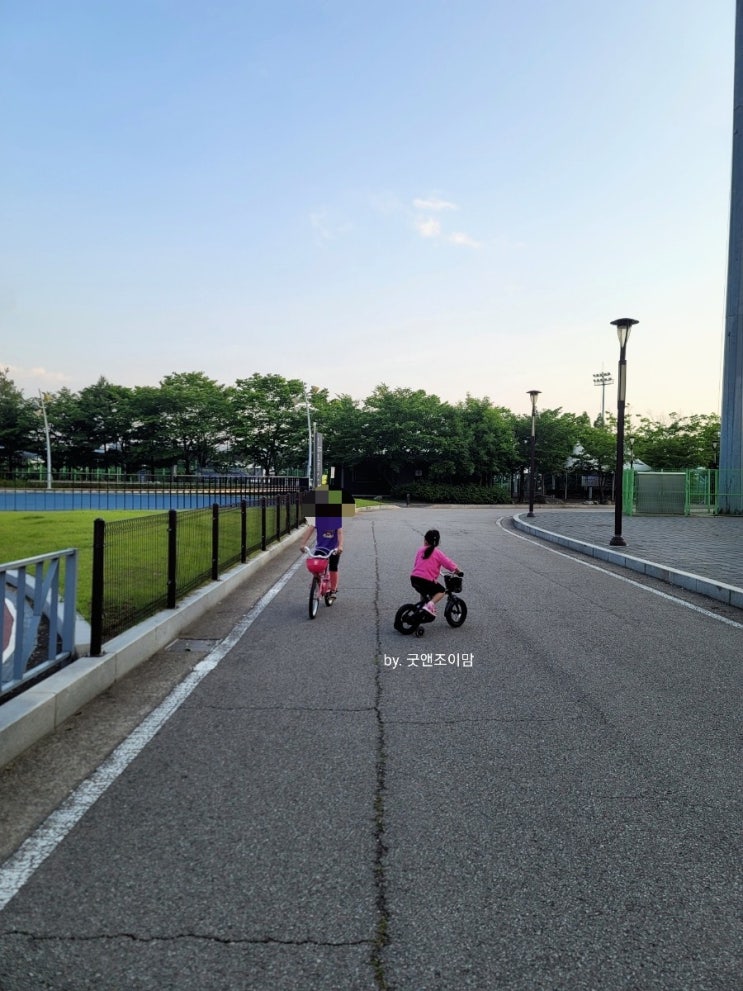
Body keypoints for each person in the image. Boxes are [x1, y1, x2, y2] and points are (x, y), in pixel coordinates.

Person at [410, 529, 462, 617]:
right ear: (437, 543)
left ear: (425, 540)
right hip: (426, 580)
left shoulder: (420, 550)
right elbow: (448, 563)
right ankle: (430, 605)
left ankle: (422, 610)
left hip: (414, 578)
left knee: (425, 592)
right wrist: (457, 570)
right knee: (441, 591)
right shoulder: (438, 553)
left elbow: (416, 564)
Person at [300, 518, 344, 595]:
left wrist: (340, 546)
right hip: (321, 548)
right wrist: (303, 544)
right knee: (315, 566)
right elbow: (310, 530)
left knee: (333, 568)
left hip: (333, 549)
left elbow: (339, 533)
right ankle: (318, 581)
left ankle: (333, 589)